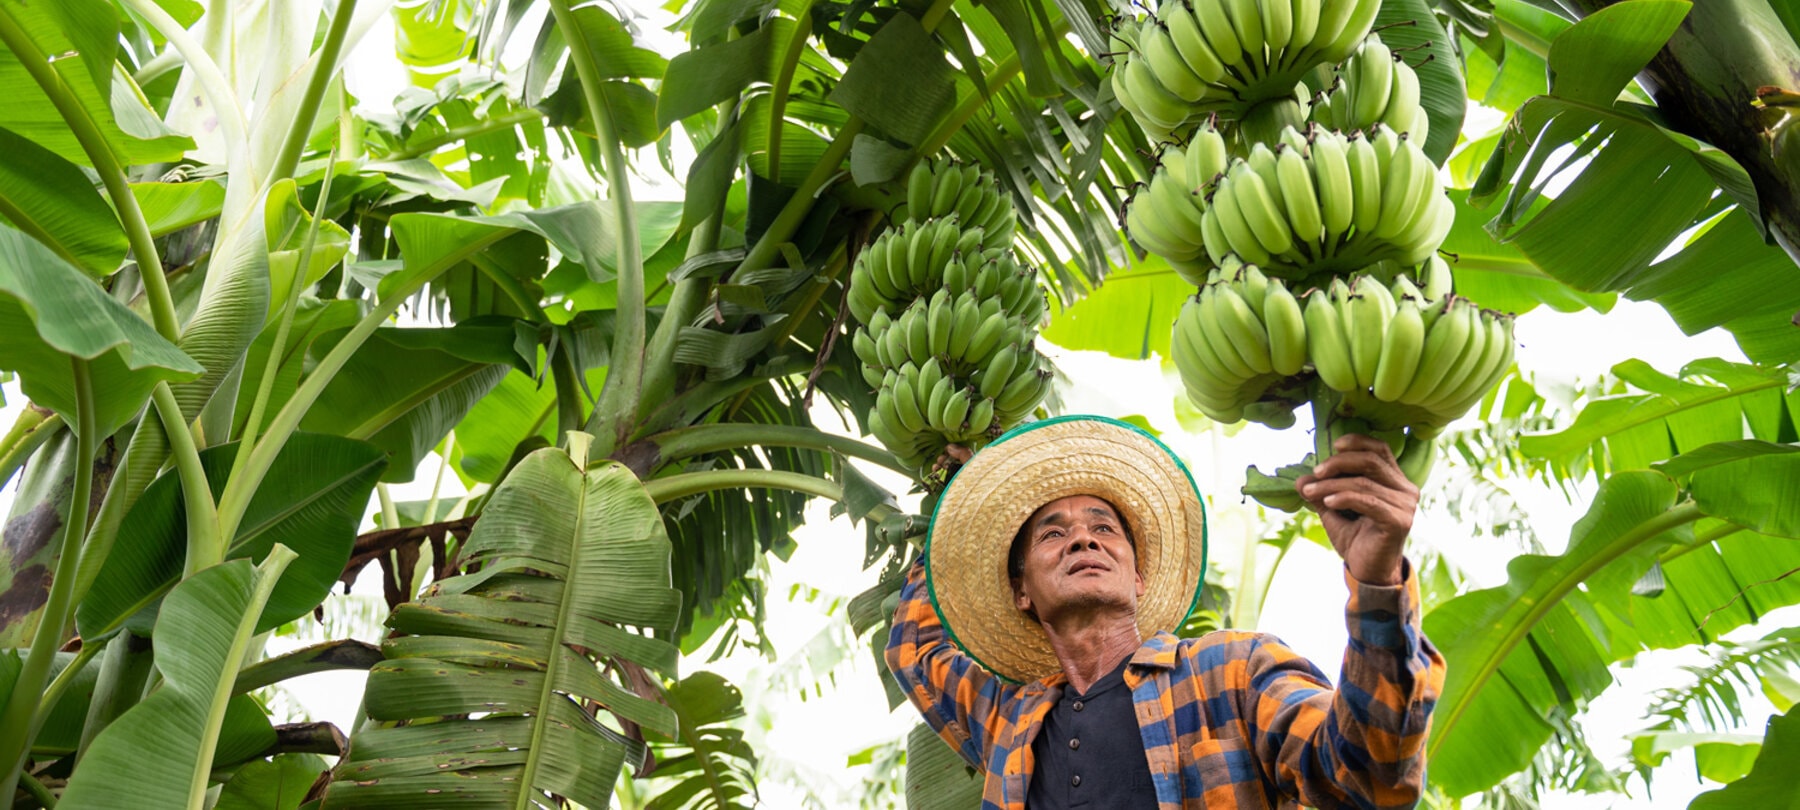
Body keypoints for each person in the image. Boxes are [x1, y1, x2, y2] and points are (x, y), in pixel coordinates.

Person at [886, 415, 1445, 809]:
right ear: (1022, 592)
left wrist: (1375, 583)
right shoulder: (1011, 723)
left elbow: (1365, 778)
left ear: (1137, 576)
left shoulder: (1231, 673)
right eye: (1053, 534)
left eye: (1104, 528)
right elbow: (915, 650)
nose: (1083, 540)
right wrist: (955, 500)